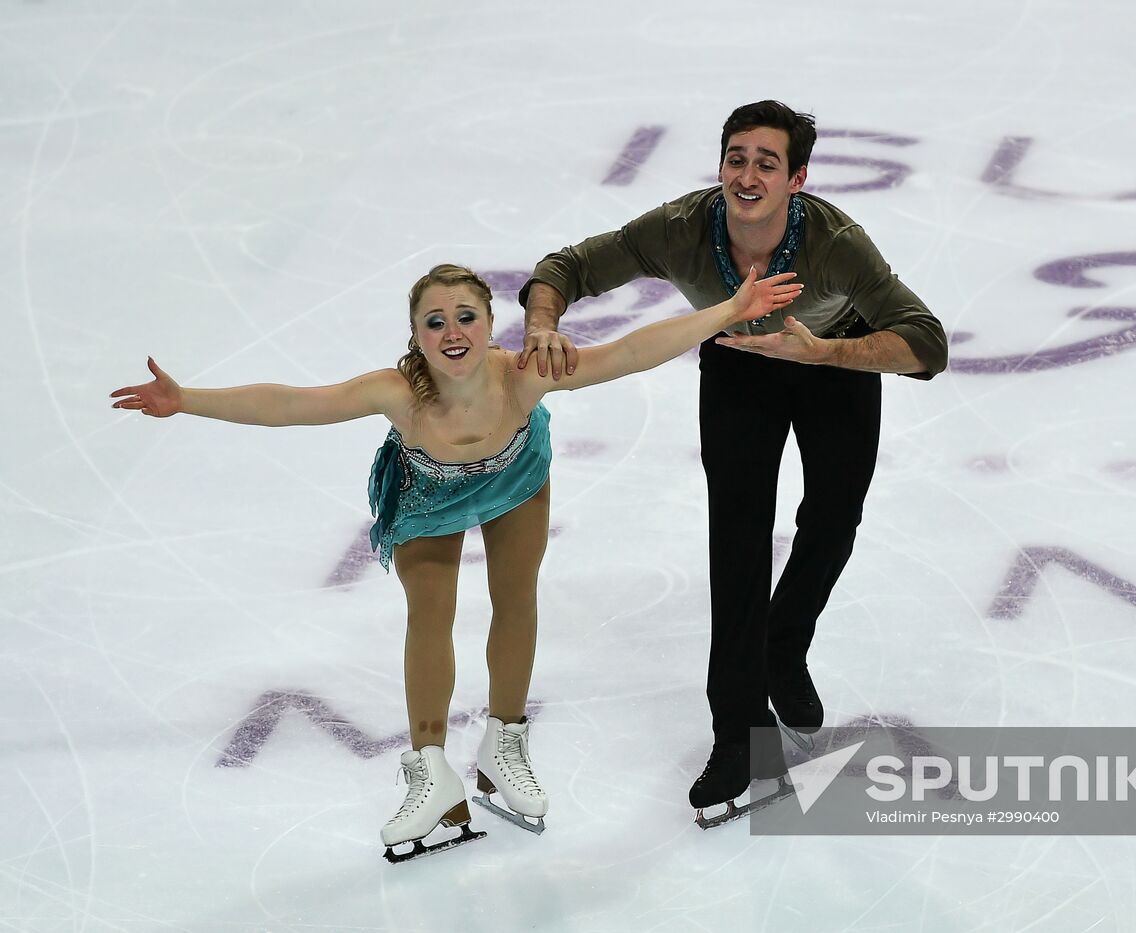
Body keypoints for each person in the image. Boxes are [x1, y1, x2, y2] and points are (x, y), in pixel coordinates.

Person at [109, 262, 802, 859]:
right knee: (429, 610)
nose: (452, 332)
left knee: (516, 596)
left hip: (515, 477)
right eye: (434, 322)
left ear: (491, 322)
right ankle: (431, 772)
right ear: (415, 335)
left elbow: (628, 352)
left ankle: (504, 744)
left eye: (465, 316)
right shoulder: (398, 393)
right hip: (426, 492)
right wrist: (186, 400)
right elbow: (294, 404)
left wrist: (727, 311)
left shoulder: (522, 376)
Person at [516, 100, 948, 819]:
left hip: (830, 358)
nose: (747, 176)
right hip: (739, 366)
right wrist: (540, 324)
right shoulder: (682, 228)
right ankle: (739, 732)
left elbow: (927, 342)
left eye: (766, 164)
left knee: (834, 518)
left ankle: (784, 643)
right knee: (738, 543)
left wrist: (823, 353)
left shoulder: (837, 243)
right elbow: (568, 266)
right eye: (736, 159)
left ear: (797, 179)